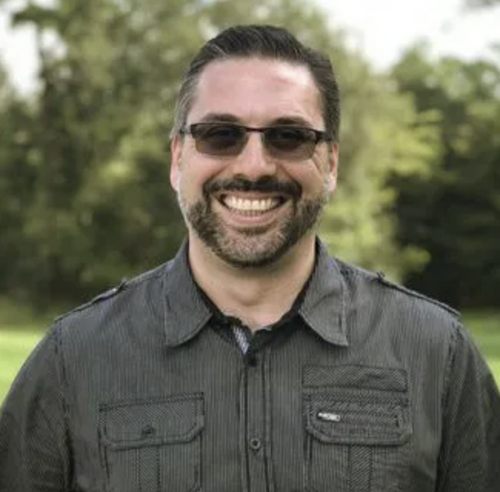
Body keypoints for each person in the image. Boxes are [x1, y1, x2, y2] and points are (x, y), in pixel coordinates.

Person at [0, 24, 499, 492]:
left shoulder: (438, 353)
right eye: (221, 134)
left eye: (289, 137)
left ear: (330, 162)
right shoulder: (72, 360)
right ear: (177, 158)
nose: (255, 166)